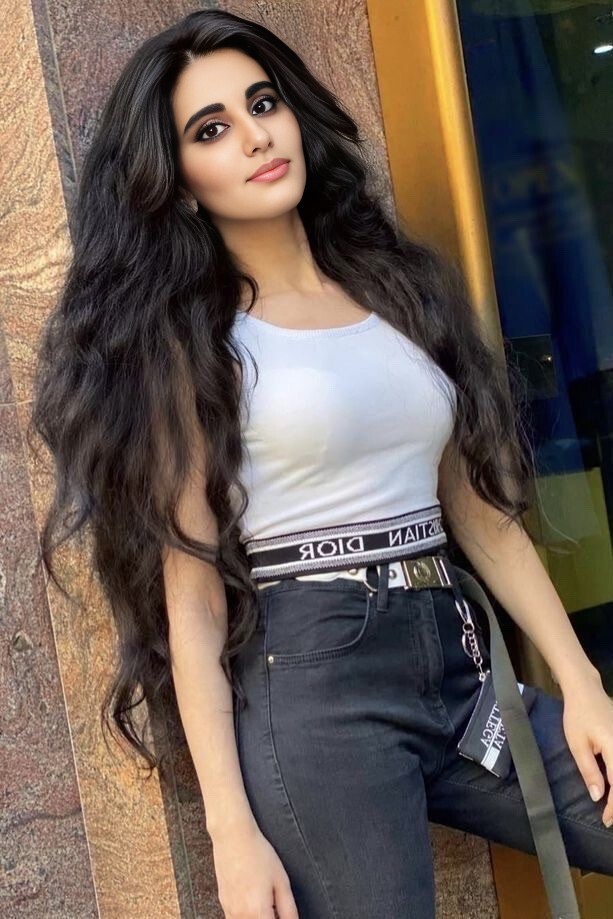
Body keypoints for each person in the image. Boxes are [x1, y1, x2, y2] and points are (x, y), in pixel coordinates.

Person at [29, 8, 613, 918]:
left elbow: (477, 512)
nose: (254, 135)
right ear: (179, 183)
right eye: (211, 129)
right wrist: (231, 830)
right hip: (314, 681)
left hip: (456, 657)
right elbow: (192, 597)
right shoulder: (194, 346)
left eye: (262, 103)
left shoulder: (395, 291)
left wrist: (580, 682)